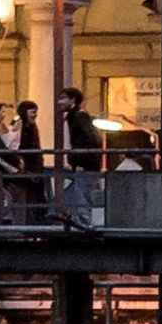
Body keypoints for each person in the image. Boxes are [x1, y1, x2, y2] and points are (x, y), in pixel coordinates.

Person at [57, 87, 105, 228]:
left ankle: (84, 224)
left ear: (72, 100)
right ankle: (83, 222)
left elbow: (91, 139)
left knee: (83, 195)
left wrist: (77, 158)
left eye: (63, 98)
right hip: (87, 163)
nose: (60, 102)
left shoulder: (78, 117)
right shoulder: (78, 117)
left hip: (85, 164)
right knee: (82, 194)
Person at [11, 100, 48, 222]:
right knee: (34, 197)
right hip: (29, 168)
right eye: (33, 112)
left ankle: (34, 222)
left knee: (35, 197)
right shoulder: (22, 125)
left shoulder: (28, 125)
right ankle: (35, 222)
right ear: (25, 112)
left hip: (32, 168)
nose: (35, 115)